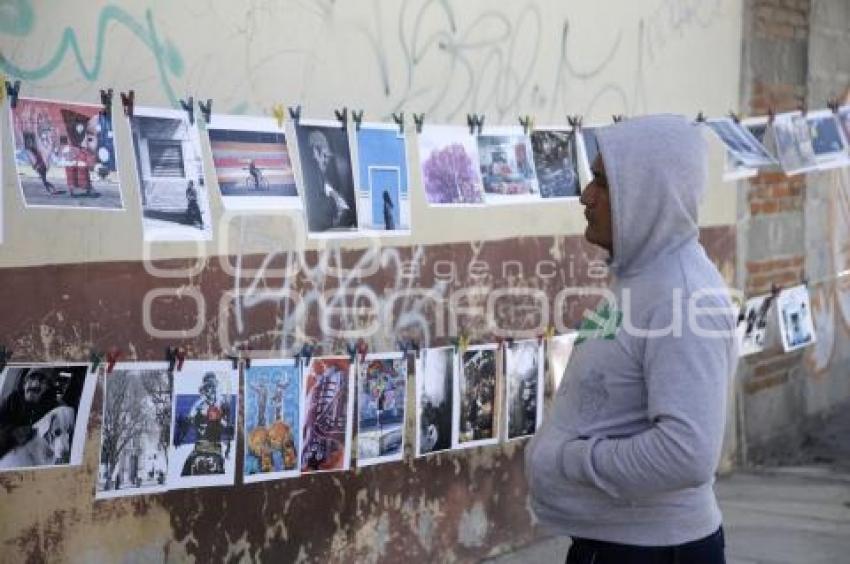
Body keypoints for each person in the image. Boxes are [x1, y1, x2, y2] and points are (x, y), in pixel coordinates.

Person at [525, 115, 736, 564]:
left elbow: (687, 454)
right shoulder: (642, 276)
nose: (585, 196)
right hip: (618, 544)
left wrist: (570, 462)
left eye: (601, 181)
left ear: (647, 192)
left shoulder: (684, 298)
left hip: (653, 551)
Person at [0, 368, 63, 458]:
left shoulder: (53, 408)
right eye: (31, 379)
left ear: (47, 387)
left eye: (42, 381)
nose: (35, 384)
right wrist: (12, 431)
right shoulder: (12, 399)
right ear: (24, 384)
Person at [305, 129, 355, 231]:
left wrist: (335, 197)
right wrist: (335, 205)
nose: (326, 161)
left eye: (328, 157)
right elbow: (317, 208)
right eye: (324, 156)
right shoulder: (312, 176)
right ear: (315, 152)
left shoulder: (321, 176)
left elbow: (329, 189)